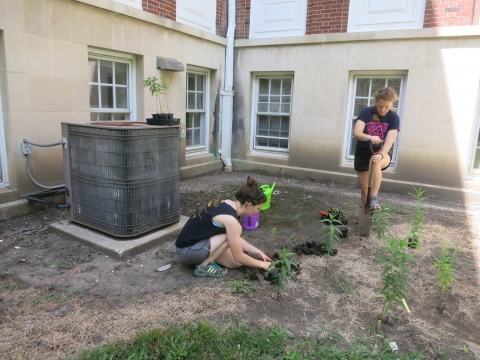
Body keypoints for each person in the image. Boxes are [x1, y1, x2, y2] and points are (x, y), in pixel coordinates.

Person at [175, 177, 273, 278]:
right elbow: (238, 255)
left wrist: (257, 251)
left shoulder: (226, 202)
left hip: (198, 243)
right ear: (249, 205)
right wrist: (262, 264)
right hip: (187, 251)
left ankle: (208, 257)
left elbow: (234, 239)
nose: (258, 212)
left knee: (236, 263)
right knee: (237, 231)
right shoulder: (230, 219)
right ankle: (204, 266)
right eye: (258, 208)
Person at [353, 87, 400, 210]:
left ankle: (374, 197)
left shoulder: (393, 118)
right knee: (364, 190)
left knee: (375, 160)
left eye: (387, 107)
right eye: (380, 106)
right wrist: (370, 137)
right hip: (362, 154)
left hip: (382, 154)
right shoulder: (366, 112)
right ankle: (367, 213)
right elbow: (357, 133)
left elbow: (390, 140)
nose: (383, 109)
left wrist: (382, 154)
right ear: (376, 101)